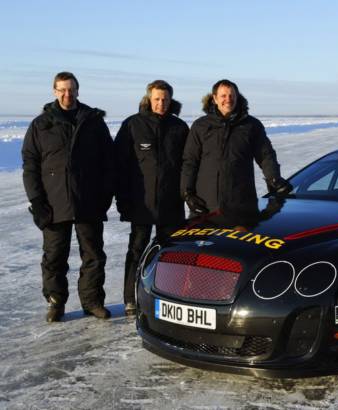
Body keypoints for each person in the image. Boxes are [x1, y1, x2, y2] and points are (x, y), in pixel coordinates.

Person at [22, 72, 115, 322]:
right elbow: (30, 166)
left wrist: (104, 196)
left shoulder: (93, 121)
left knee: (93, 255)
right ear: (54, 91)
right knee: (54, 257)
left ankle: (92, 301)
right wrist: (37, 201)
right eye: (62, 90)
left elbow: (108, 162)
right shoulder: (41, 125)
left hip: (88, 201)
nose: (67, 94)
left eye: (71, 89)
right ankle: (56, 302)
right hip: (54, 203)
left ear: (77, 90)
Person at [114, 80, 189, 316]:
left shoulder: (179, 128)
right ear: (148, 99)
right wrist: (122, 199)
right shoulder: (133, 125)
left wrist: (186, 193)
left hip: (171, 202)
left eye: (165, 99)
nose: (161, 103)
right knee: (137, 249)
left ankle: (169, 297)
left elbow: (189, 164)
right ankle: (130, 298)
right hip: (141, 202)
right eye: (157, 99)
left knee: (170, 252)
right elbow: (119, 165)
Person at [181, 79, 291, 219]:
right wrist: (187, 193)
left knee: (239, 241)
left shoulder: (251, 125)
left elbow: (265, 155)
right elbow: (190, 161)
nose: (228, 99)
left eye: (232, 95)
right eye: (223, 96)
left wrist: (274, 178)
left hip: (242, 204)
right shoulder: (200, 126)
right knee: (206, 242)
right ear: (214, 98)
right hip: (206, 206)